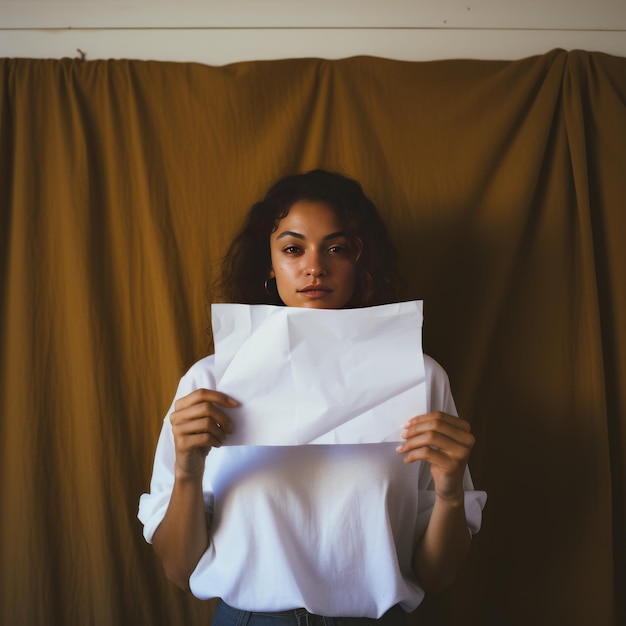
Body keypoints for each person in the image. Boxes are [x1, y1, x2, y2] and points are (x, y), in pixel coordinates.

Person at [138, 169, 486, 625]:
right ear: (270, 264)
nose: (314, 266)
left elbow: (436, 576)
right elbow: (178, 568)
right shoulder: (212, 382)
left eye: (337, 249)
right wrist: (186, 469)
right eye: (292, 248)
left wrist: (450, 494)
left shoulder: (417, 378)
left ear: (361, 263)